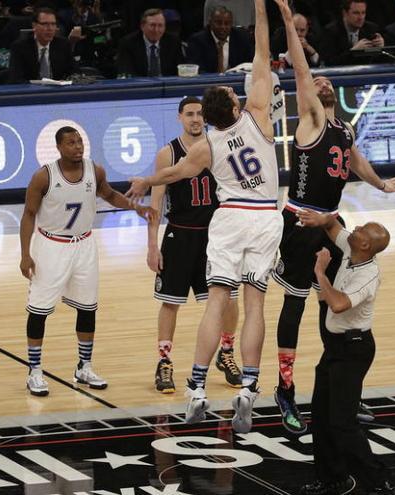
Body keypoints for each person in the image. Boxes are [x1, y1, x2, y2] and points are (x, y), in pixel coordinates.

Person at [127, 0, 280, 434]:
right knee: (253, 305)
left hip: (228, 218)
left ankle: (196, 387)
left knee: (216, 302)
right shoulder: (256, 118)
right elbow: (264, 56)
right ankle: (248, 389)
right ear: (234, 105)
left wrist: (144, 180)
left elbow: (174, 173)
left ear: (207, 117)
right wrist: (263, 11)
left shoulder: (206, 146)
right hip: (265, 217)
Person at [272, 0, 395, 435]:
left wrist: (381, 184)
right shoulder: (309, 121)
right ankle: (285, 391)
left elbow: (355, 159)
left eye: (326, 80)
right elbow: (300, 70)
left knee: (336, 306)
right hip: (299, 221)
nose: (321, 83)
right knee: (294, 304)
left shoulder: (342, 129)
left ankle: (337, 388)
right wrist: (289, 21)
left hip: (330, 223)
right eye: (317, 80)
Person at [20, 126, 150, 397]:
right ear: (58, 147)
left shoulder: (95, 171)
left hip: (84, 245)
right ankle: (34, 370)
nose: (77, 146)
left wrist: (136, 207)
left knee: (88, 308)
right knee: (39, 310)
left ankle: (84, 366)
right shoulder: (43, 176)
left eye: (79, 141)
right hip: (50, 246)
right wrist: (25, 254)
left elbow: (109, 194)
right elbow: (29, 214)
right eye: (70, 143)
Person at [295, 207, 395, 495]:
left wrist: (319, 272)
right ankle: (332, 479)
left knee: (342, 423)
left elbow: (339, 303)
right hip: (336, 349)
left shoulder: (368, 274)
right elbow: (332, 227)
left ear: (366, 244)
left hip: (354, 351)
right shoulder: (352, 250)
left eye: (362, 229)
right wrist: (320, 219)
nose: (356, 229)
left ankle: (378, 482)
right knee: (321, 416)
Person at [148, 96, 242, 394]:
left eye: (200, 114)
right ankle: (164, 362)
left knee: (228, 299)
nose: (195, 119)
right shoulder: (168, 153)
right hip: (179, 234)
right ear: (179, 118)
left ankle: (226, 353)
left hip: (216, 235)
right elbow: (156, 200)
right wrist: (152, 245)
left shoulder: (219, 145)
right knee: (170, 303)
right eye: (189, 114)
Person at [8, 7, 78, 82]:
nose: (50, 28)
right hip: (31, 91)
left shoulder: (63, 45)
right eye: (45, 24)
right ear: (34, 25)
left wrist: (65, 81)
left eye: (53, 24)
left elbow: (74, 73)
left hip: (58, 91)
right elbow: (16, 78)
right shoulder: (19, 47)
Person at [116, 8, 184, 77]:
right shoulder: (128, 43)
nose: (156, 30)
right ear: (142, 26)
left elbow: (181, 70)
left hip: (167, 84)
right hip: (140, 85)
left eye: (160, 25)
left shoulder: (174, 42)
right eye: (152, 25)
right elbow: (126, 72)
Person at [185, 6, 253, 74]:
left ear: (231, 24)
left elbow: (250, 64)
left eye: (227, 24)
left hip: (235, 81)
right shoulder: (197, 41)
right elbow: (196, 69)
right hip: (208, 82)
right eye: (218, 23)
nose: (223, 27)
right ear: (210, 23)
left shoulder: (242, 38)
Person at [319, 0, 385, 67]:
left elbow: (382, 61)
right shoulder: (331, 32)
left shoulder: (371, 29)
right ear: (345, 13)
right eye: (356, 13)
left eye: (363, 13)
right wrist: (353, 52)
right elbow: (329, 63)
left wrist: (381, 48)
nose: (361, 17)